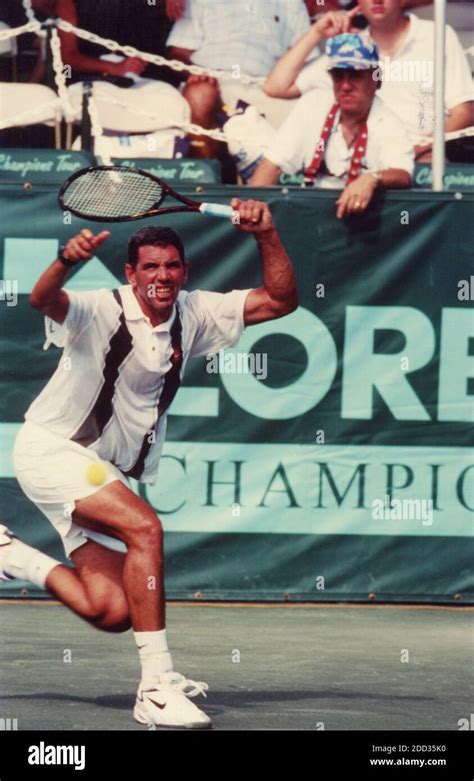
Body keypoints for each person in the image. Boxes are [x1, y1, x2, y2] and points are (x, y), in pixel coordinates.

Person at [0, 199, 298, 729]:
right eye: (150, 267)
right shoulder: (101, 309)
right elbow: (43, 298)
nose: (162, 276)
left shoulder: (196, 313)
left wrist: (266, 234)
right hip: (52, 451)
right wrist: (66, 261)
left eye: (171, 266)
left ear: (185, 271)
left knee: (112, 610)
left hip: (101, 472)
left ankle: (11, 556)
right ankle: (156, 686)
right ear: (130, 273)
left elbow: (280, 300)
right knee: (146, 528)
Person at [263, 0, 474, 162]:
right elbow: (276, 86)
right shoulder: (351, 48)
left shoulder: (437, 35)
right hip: (366, 158)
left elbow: (464, 111)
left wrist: (420, 147)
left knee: (433, 167)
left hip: (425, 155)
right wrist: (316, 32)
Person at [251, 34, 413, 219]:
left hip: (364, 222)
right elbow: (272, 166)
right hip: (311, 217)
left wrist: (372, 179)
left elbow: (403, 174)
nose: (345, 85)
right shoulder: (313, 104)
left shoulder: (389, 121)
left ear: (377, 79)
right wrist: (253, 208)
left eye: (355, 75)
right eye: (338, 76)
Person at [166, 0, 312, 157]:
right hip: (214, 83)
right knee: (199, 94)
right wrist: (195, 73)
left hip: (268, 89)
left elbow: (309, 60)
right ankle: (204, 176)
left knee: (309, 110)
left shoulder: (292, 4)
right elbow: (178, 53)